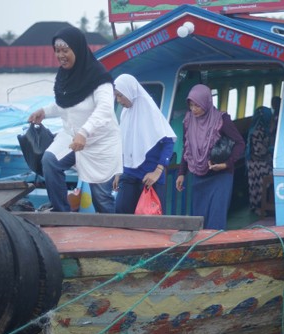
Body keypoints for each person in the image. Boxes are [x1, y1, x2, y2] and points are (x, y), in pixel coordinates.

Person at [28, 26, 122, 213]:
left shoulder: (98, 76)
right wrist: (44, 112)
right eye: (57, 50)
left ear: (77, 49)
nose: (61, 55)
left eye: (65, 50)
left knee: (101, 198)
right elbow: (66, 104)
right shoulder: (65, 75)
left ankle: (114, 234)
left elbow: (105, 109)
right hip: (72, 135)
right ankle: (62, 214)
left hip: (99, 140)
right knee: (49, 161)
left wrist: (84, 132)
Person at [175, 84, 245, 230]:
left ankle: (213, 249)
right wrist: (182, 173)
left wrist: (227, 164)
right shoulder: (188, 120)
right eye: (191, 105)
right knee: (199, 219)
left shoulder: (221, 120)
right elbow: (186, 147)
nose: (194, 109)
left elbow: (240, 143)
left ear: (206, 103)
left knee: (216, 217)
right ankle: (198, 251)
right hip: (198, 175)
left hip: (220, 175)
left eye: (198, 106)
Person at [113, 74, 177, 214]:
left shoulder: (150, 111)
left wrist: (157, 172)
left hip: (150, 177)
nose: (119, 101)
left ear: (130, 91)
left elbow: (168, 141)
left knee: (150, 222)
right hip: (129, 173)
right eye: (116, 96)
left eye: (120, 95)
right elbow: (123, 143)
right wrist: (118, 171)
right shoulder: (125, 113)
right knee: (121, 214)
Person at [245, 106, 275, 215]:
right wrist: (270, 151)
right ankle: (258, 207)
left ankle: (266, 204)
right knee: (259, 184)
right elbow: (259, 150)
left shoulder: (262, 127)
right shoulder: (258, 130)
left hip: (259, 162)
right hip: (256, 164)